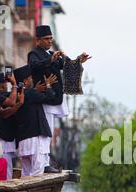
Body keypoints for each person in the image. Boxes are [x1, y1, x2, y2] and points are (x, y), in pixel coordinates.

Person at [28, 25, 91, 173]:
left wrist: (78, 61)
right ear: (38, 40)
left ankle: (45, 162)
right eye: (46, 39)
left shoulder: (51, 54)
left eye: (51, 38)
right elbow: (34, 67)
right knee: (45, 132)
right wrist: (50, 59)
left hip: (53, 97)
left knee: (48, 131)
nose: (50, 41)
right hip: (44, 97)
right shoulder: (34, 54)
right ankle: (43, 164)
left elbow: (66, 66)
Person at [13, 65, 57, 176]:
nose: (32, 80)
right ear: (25, 81)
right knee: (38, 171)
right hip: (35, 138)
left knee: (26, 173)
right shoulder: (31, 94)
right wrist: (48, 85)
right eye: (31, 78)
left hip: (23, 141)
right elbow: (51, 97)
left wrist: (35, 90)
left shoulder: (17, 95)